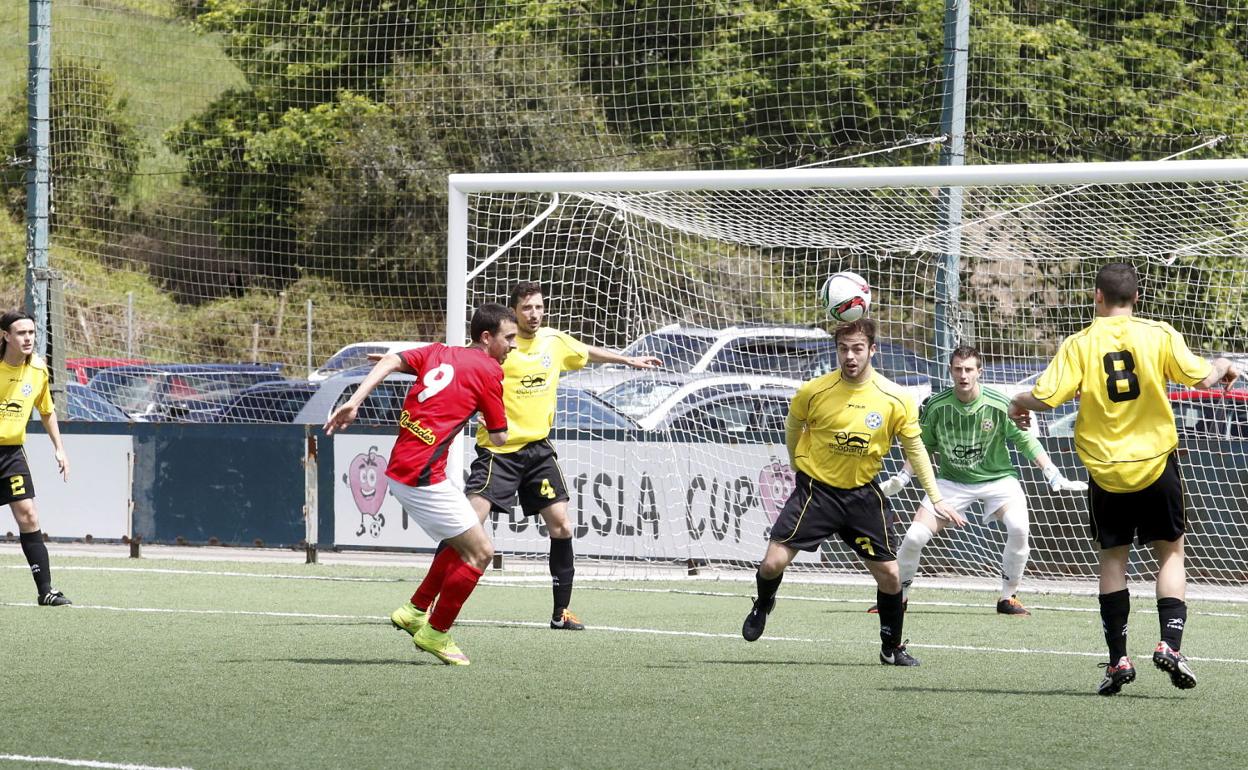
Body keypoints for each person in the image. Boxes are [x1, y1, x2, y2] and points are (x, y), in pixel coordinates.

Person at [1009, 263, 1238, 695]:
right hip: (1156, 464)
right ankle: (1170, 645)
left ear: (1097, 296)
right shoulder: (1159, 333)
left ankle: (1118, 660)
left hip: (1107, 472)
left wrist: (1015, 402)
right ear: (1136, 298)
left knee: (1113, 560)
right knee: (1170, 554)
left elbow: (1046, 398)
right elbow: (1203, 377)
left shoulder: (1079, 343)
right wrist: (1224, 363)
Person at [741, 318, 962, 666]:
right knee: (771, 564)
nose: (850, 356)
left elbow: (916, 449)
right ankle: (763, 604)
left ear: (872, 350)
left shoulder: (895, 398)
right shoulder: (813, 391)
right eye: (843, 349)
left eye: (858, 348)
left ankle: (891, 648)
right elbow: (794, 423)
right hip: (817, 492)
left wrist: (936, 498)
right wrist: (797, 460)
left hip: (862, 496)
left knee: (890, 576)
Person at [324, 303, 517, 666]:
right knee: (481, 553)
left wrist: (353, 401)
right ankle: (436, 632)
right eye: (508, 339)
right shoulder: (490, 370)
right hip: (421, 477)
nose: (512, 347)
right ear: (486, 338)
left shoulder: (437, 351)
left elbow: (389, 360)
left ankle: (414, 611)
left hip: (408, 469)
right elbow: (501, 436)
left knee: (463, 540)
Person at [465, 281, 661, 630]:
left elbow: (585, 351)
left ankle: (561, 613)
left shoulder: (553, 342)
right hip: (499, 451)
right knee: (464, 526)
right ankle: (426, 603)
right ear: (514, 312)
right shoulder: (495, 345)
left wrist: (628, 359)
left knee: (562, 525)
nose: (534, 314)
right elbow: (457, 370)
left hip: (538, 450)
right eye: (527, 308)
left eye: (539, 307)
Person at [872, 345, 1087, 617]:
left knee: (1019, 528)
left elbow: (1024, 440)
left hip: (998, 481)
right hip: (951, 482)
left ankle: (1008, 598)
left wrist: (1051, 471)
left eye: (969, 369)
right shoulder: (936, 406)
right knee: (914, 537)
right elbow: (921, 448)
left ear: (979, 372)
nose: (963, 375)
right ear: (950, 371)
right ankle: (897, 598)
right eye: (958, 369)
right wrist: (903, 477)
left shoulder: (998, 403)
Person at [0, 309, 71, 606]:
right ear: (5, 336)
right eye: (21, 333)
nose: (28, 338)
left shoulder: (39, 370)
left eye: (31, 332)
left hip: (11, 453)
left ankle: (46, 590)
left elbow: (46, 410)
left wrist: (59, 447)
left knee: (28, 515)